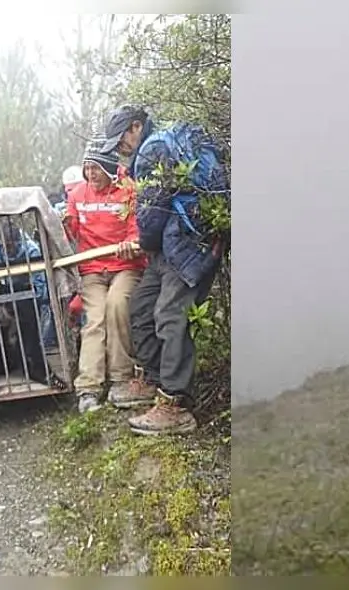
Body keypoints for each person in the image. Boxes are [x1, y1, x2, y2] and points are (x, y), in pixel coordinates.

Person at [97, 105, 230, 436]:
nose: (118, 149)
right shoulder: (166, 141)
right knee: (141, 306)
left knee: (170, 315)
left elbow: (151, 213)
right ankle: (155, 381)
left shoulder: (152, 150)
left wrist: (142, 239)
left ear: (135, 128)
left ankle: (175, 404)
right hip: (170, 246)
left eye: (120, 140)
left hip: (189, 246)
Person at [64, 137, 146, 414]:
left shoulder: (129, 190)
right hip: (92, 269)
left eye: (95, 168)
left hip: (125, 266)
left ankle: (122, 377)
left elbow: (138, 227)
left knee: (117, 305)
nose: (90, 175)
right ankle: (88, 387)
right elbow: (69, 232)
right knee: (95, 318)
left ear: (109, 167)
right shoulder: (77, 194)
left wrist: (132, 242)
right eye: (87, 168)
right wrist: (64, 226)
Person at [0, 223, 58, 349]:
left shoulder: (31, 249)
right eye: (3, 246)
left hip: (26, 290)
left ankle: (31, 352)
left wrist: (37, 303)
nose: (5, 250)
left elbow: (40, 285)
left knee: (29, 329)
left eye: (9, 246)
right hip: (5, 290)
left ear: (18, 242)